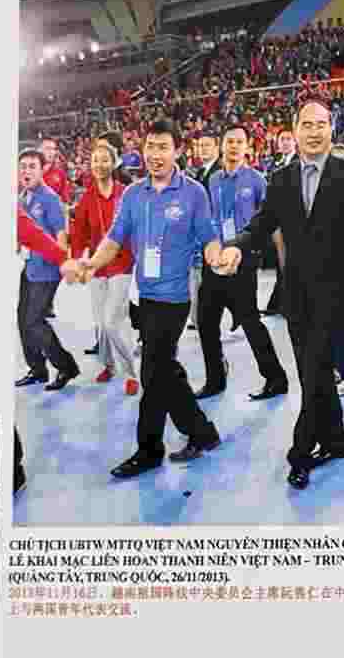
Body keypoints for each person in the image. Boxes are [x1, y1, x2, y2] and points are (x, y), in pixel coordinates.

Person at [211, 102, 344, 489]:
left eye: (321, 125)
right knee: (311, 373)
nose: (314, 132)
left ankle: (300, 452)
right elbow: (262, 223)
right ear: (295, 129)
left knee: (315, 370)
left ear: (332, 130)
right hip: (297, 295)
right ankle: (337, 440)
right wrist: (236, 248)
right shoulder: (281, 178)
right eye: (307, 125)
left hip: (339, 295)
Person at [67, 118, 227, 478]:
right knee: (164, 370)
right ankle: (202, 432)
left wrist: (217, 258)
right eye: (150, 147)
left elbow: (208, 236)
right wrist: (92, 263)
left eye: (163, 147)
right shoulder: (133, 194)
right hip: (143, 296)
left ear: (177, 151)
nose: (155, 154)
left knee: (153, 370)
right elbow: (114, 238)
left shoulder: (193, 193)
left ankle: (149, 450)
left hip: (174, 298)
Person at [195, 127, 290, 402]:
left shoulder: (257, 180)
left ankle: (276, 378)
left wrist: (283, 261)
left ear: (247, 147)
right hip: (215, 259)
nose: (234, 146)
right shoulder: (213, 180)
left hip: (243, 261)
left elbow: (272, 223)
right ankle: (215, 378)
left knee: (250, 321)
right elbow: (208, 219)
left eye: (239, 142)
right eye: (229, 141)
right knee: (205, 321)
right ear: (222, 146)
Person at [68, 135, 138, 394]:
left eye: (104, 160)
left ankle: (130, 373)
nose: (99, 164)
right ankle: (107, 365)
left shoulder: (125, 193)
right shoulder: (88, 197)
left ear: (115, 162)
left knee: (112, 321)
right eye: (95, 160)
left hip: (122, 264)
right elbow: (79, 233)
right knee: (100, 322)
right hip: (96, 267)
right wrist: (77, 261)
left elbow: (136, 227)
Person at [15, 149, 78, 390]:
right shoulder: (23, 197)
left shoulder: (50, 199)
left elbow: (61, 235)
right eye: (23, 166)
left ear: (43, 170)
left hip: (47, 270)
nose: (26, 171)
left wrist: (63, 263)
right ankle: (37, 369)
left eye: (32, 166)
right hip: (30, 267)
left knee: (34, 321)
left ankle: (66, 367)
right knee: (23, 319)